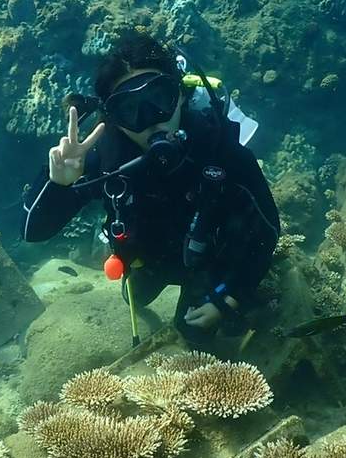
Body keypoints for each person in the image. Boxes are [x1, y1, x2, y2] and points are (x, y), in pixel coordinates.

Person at [21, 28, 280, 344]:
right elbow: (33, 232)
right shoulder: (105, 158)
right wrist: (57, 185)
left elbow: (267, 230)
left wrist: (227, 299)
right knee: (134, 297)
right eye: (131, 110)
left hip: (208, 264)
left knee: (195, 334)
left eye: (159, 99)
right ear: (114, 118)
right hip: (148, 261)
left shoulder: (217, 146)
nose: (151, 120)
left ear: (181, 94)